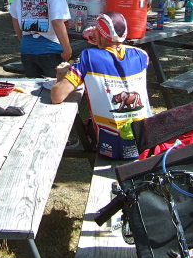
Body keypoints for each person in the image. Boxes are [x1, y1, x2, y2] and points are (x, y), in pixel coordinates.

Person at [51, 11, 151, 159]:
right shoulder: (141, 55)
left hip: (111, 145)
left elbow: (56, 96)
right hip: (144, 142)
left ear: (99, 34)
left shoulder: (89, 57)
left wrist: (62, 76)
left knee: (86, 125)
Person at [8, 0, 72, 77]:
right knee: (54, 90)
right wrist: (67, 50)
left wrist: (23, 40)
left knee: (34, 91)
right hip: (50, 50)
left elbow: (14, 17)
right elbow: (57, 21)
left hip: (27, 49)